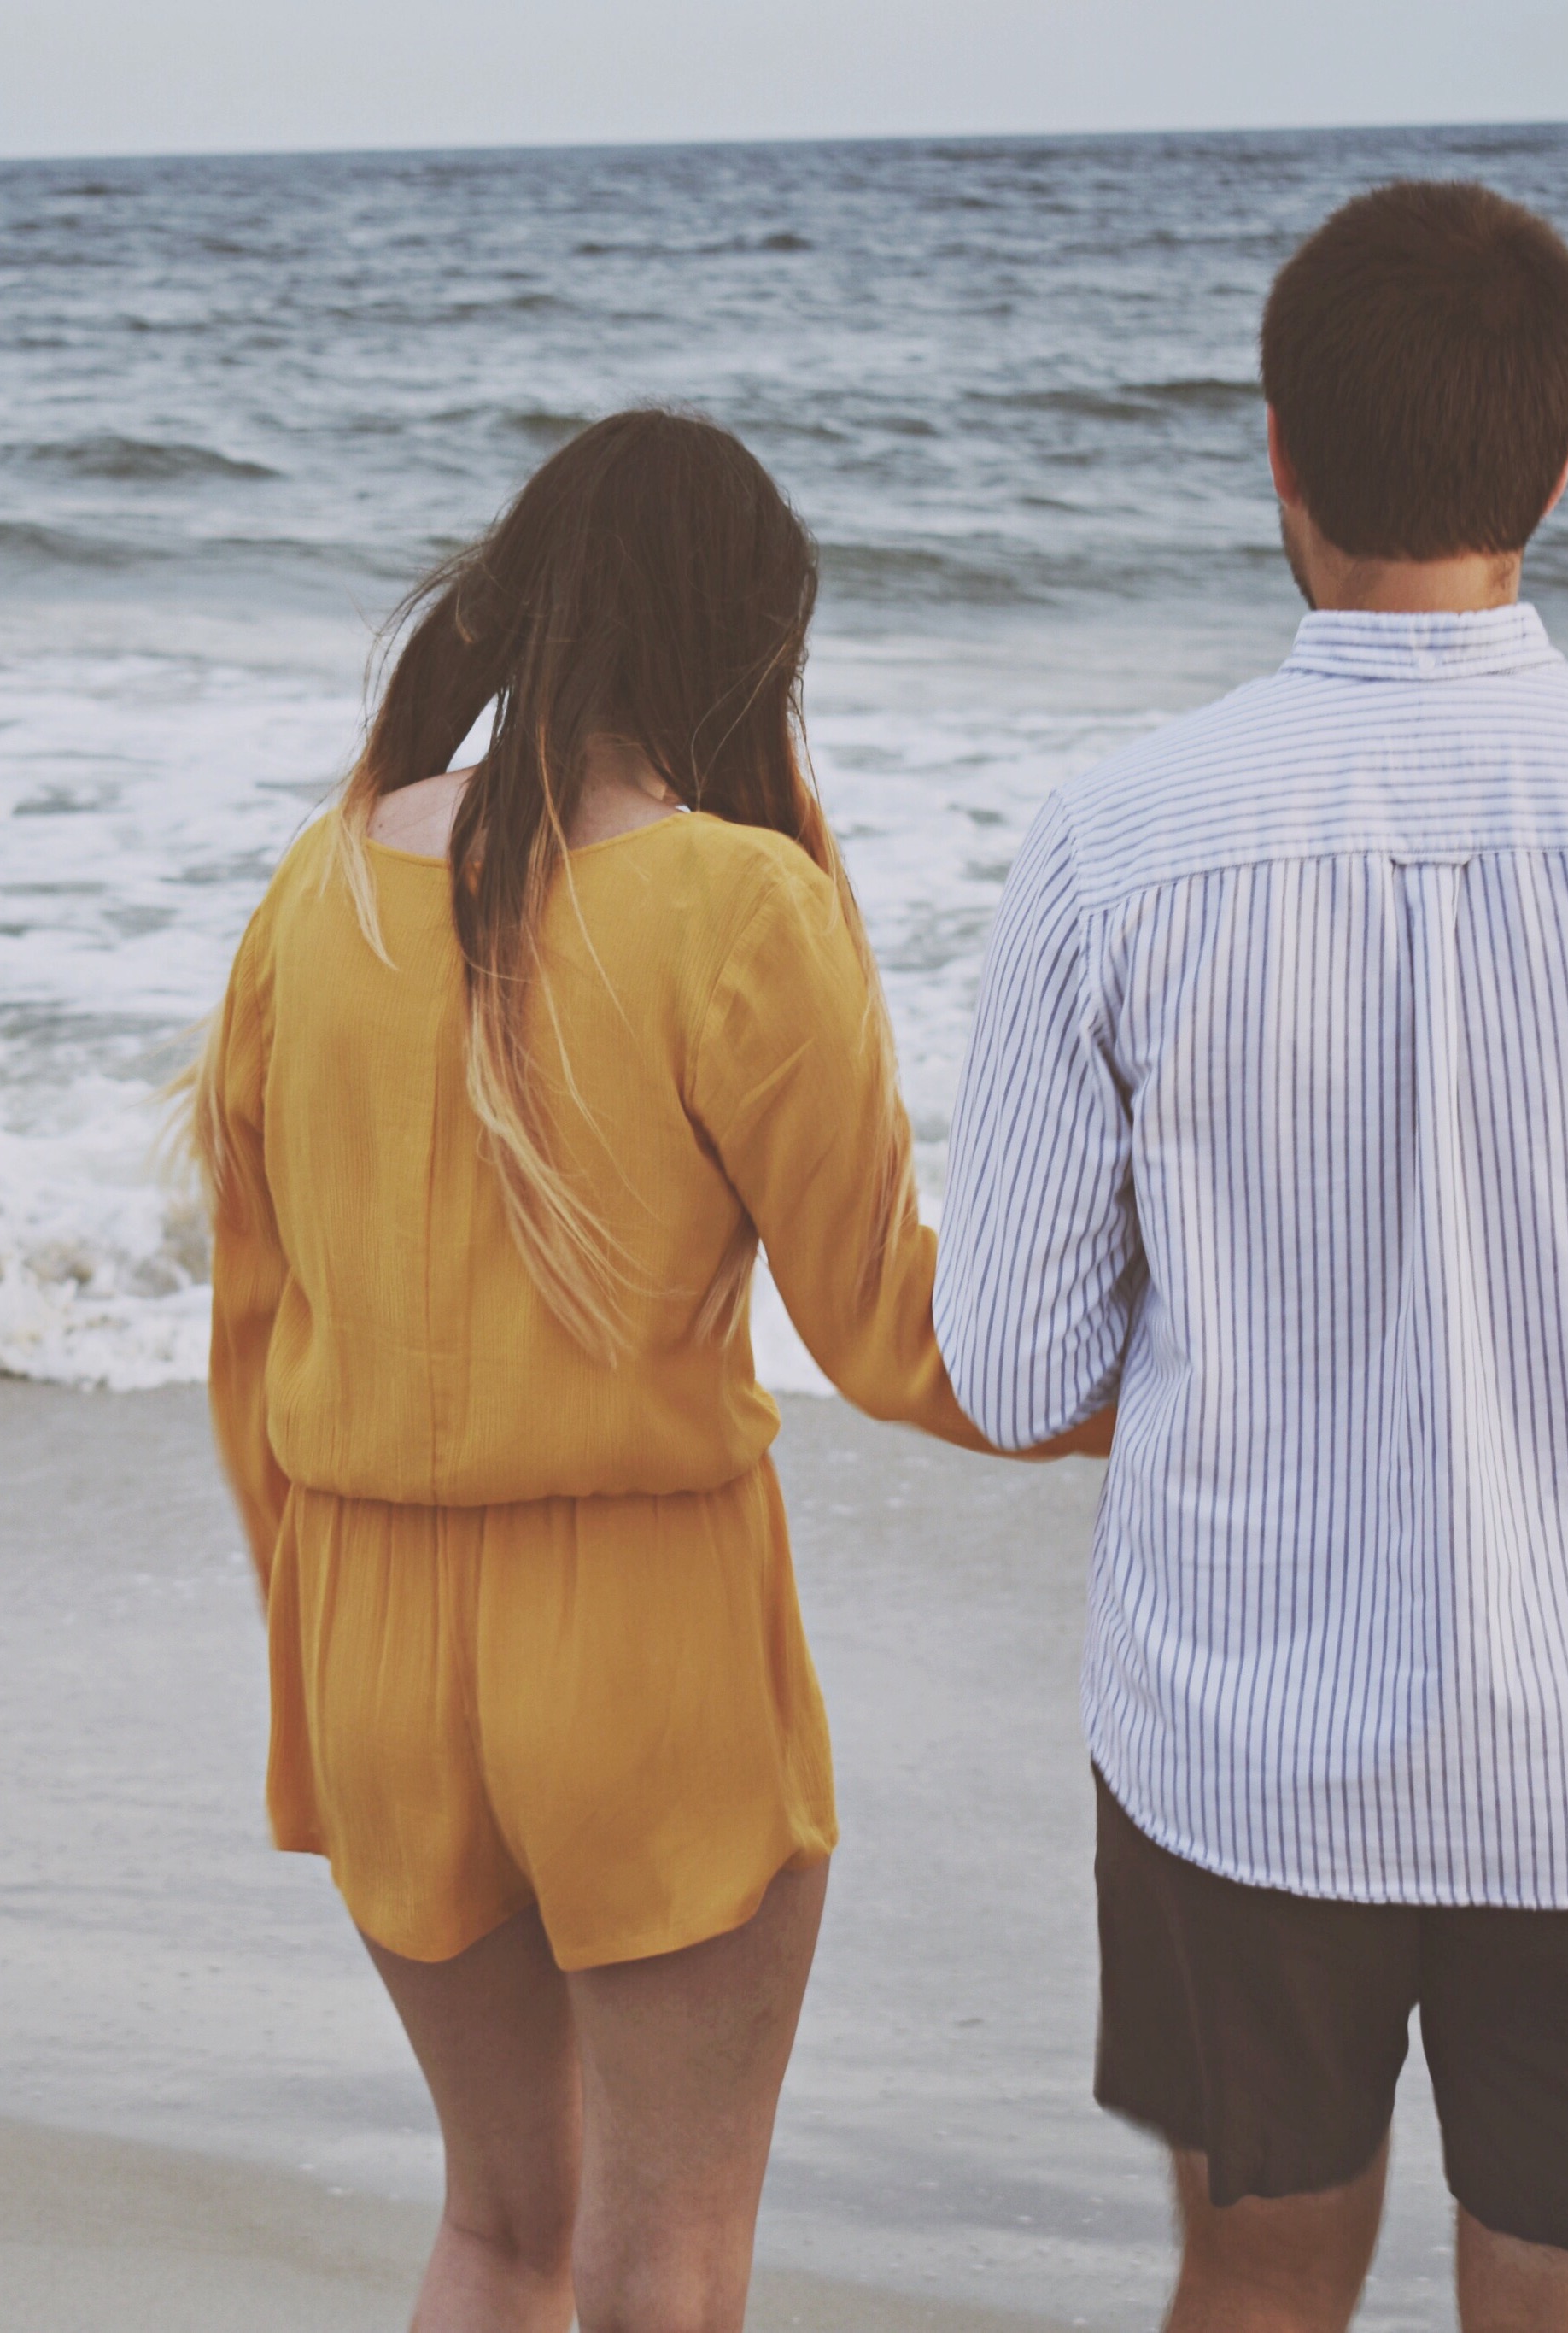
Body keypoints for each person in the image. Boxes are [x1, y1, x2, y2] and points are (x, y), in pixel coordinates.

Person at [934, 182, 1568, 2333]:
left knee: (1261, 2282)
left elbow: (1009, 1363)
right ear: (1563, 466)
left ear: (1276, 452)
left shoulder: (1118, 840)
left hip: (1238, 1738)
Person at [191, 408, 1100, 2333]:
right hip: (640, 1643)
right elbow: (893, 1336)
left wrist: (311, 1637)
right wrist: (1179, 1382)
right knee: (664, 2265)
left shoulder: (320, 885)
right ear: (746, 644)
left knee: (499, 2233)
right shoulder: (738, 905)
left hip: (368, 1640)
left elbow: (250, 1335)